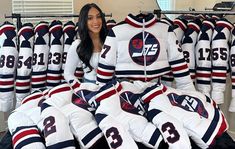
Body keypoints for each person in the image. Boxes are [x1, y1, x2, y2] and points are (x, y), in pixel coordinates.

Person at [64, 3, 108, 89]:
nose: (96, 21)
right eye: (90, 18)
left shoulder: (110, 40)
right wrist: (80, 88)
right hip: (89, 88)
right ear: (84, 21)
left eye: (98, 16)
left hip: (111, 87)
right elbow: (68, 74)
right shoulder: (78, 44)